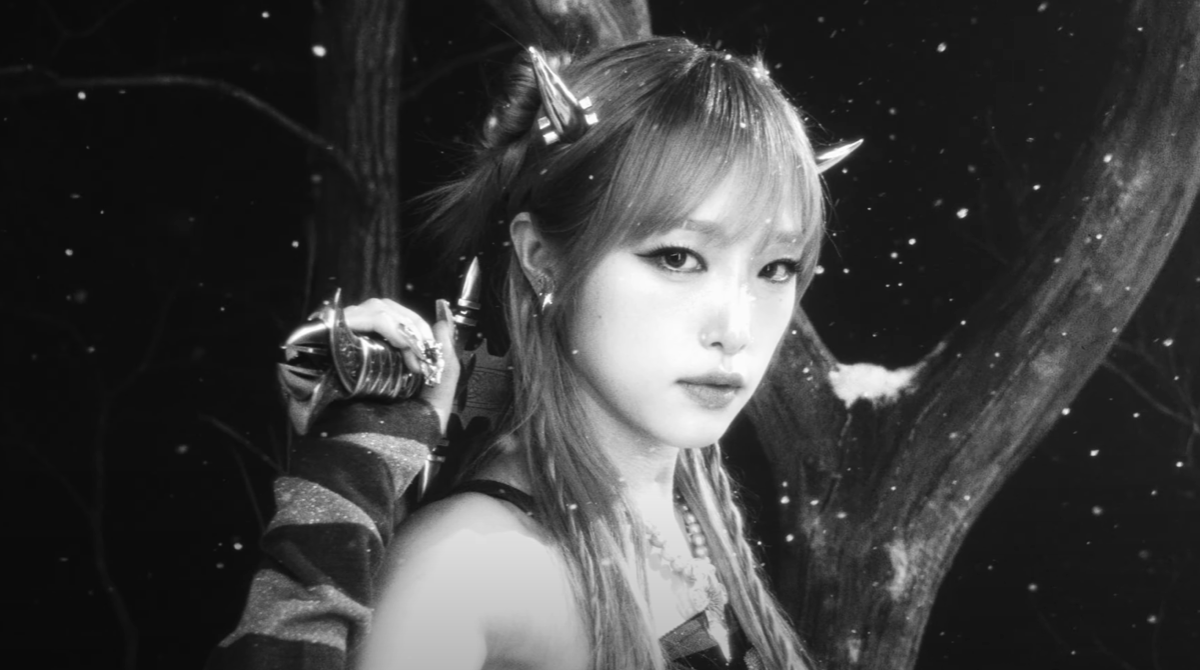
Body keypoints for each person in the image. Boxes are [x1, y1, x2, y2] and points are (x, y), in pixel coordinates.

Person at [210, 36, 838, 670]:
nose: (736, 328)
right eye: (677, 257)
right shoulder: (469, 567)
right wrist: (335, 506)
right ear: (542, 258)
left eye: (776, 267)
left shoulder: (701, 524)